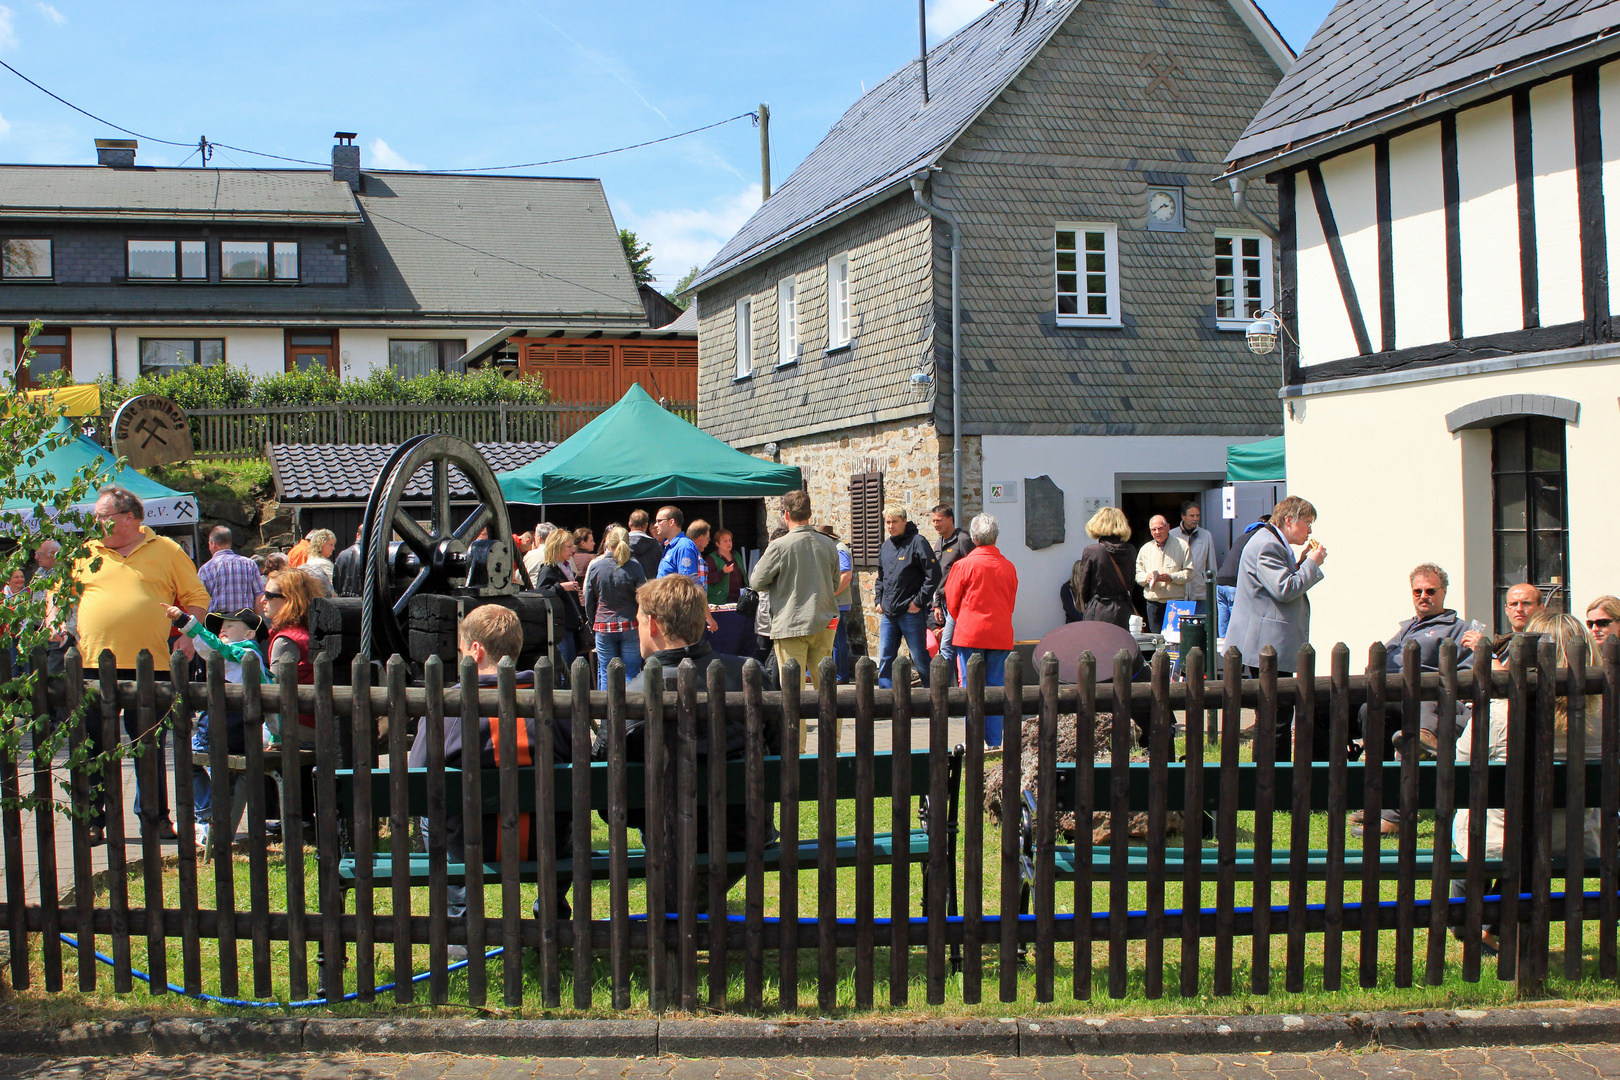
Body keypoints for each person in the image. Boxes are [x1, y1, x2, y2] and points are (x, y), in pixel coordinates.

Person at [410, 604, 571, 953]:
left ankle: (460, 919)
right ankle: (552, 913)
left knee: (431, 811)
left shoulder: (448, 709)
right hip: (544, 844)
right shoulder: (556, 706)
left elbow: (416, 778)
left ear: (476, 650)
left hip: (470, 845)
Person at [1453, 611, 1605, 956]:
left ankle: (1468, 919)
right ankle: (1486, 927)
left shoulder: (1499, 713)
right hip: (1576, 842)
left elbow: (1460, 765)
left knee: (1472, 823)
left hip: (1499, 841)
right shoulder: (1604, 719)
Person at [65, 485, 209, 846]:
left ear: (129, 518)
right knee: (92, 745)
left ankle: (155, 818)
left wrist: (189, 635)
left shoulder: (166, 550)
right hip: (92, 665)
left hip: (152, 665)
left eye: (103, 517)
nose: (96, 523)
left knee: (149, 745)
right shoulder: (86, 553)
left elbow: (196, 597)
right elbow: (58, 596)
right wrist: (54, 622)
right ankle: (93, 820)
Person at [1353, 563, 1477, 837]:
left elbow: (1468, 674)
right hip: (1396, 697)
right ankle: (1379, 799)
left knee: (1421, 692)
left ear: (1444, 592)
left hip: (1436, 702)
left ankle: (1398, 810)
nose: (1424, 596)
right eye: (1417, 591)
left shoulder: (1458, 629)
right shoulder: (1405, 629)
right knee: (1368, 710)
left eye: (1430, 591)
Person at [1225, 495, 1327, 762]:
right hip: (1267, 645)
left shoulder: (1272, 542)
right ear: (1289, 519)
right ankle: (1271, 781)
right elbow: (1284, 589)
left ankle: (1270, 780)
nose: (1310, 530)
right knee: (1275, 716)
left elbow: (1277, 582)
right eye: (1307, 522)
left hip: (1270, 643)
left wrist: (1301, 563)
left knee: (1274, 713)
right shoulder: (1267, 544)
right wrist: (1313, 564)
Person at [165, 605, 267, 857]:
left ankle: (207, 816)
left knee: (187, 759)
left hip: (224, 732)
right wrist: (273, 734)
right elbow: (207, 647)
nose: (223, 628)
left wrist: (184, 621)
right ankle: (211, 822)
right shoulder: (248, 658)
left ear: (249, 634)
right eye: (222, 626)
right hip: (240, 732)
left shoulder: (241, 652)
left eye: (230, 625)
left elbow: (212, 647)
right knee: (219, 773)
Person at [748, 490, 839, 718]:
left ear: (785, 514)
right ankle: (833, 747)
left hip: (791, 624)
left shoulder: (780, 546)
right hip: (823, 621)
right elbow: (835, 581)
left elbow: (756, 581)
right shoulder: (828, 544)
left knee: (792, 694)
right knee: (827, 690)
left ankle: (796, 749)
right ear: (809, 513)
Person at [943, 514, 1018, 747]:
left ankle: (973, 738)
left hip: (970, 632)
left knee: (971, 687)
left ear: (974, 538)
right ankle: (994, 741)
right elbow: (1011, 602)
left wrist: (964, 619)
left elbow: (952, 602)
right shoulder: (1008, 566)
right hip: (1000, 633)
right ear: (995, 537)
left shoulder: (963, 565)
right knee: (996, 687)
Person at [874, 505, 940, 690]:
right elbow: (881, 577)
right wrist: (879, 600)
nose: (890, 526)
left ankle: (932, 695)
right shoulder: (886, 546)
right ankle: (885, 698)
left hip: (910, 613)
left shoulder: (917, 542)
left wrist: (919, 601)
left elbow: (933, 574)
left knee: (919, 656)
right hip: (889, 613)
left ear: (904, 521)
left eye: (894, 522)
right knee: (886, 657)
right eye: (887, 522)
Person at [263, 568, 324, 748]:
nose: (262, 599)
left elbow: (274, 694)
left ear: (289, 600)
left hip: (301, 728)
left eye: (268, 594)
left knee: (238, 741)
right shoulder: (309, 631)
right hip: (319, 723)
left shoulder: (286, 641)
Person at [583, 526, 647, 691]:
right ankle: (630, 716)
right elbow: (644, 597)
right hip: (630, 624)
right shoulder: (634, 566)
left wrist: (592, 622)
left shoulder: (597, 566)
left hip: (604, 625)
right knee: (631, 672)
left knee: (606, 673)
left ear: (607, 542)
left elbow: (590, 599)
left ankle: (606, 716)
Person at [1067, 506, 1136, 629]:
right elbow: (1131, 583)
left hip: (1099, 609)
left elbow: (1084, 587)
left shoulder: (1093, 550)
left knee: (1096, 646)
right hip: (1124, 609)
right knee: (1122, 646)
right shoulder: (1130, 550)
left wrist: (1088, 606)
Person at [534, 528, 586, 682]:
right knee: (565, 670)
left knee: (572, 667)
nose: (573, 550)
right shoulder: (548, 569)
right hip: (559, 627)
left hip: (570, 625)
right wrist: (561, 587)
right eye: (569, 547)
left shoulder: (566, 568)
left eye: (573, 546)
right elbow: (541, 595)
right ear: (557, 548)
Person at [929, 504, 975, 675]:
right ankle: (953, 686)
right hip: (945, 603)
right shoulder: (939, 542)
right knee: (949, 646)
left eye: (939, 520)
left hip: (959, 603)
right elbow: (937, 577)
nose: (935, 524)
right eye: (933, 521)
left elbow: (973, 570)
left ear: (950, 519)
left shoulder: (963, 540)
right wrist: (937, 605)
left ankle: (947, 690)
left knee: (947, 645)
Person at [1461, 582, 1543, 668]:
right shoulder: (1502, 643)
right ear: (1506, 610)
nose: (1519, 609)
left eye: (1526, 603)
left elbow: (1509, 680)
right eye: (1514, 604)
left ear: (1541, 608)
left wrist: (1484, 651)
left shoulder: (1543, 643)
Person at [1215, 515, 1269, 638]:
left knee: (1223, 625)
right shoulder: (1260, 538)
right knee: (1237, 625)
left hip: (1221, 581)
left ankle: (1223, 654)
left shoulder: (1243, 536)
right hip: (1234, 583)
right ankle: (1235, 652)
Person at [1135, 515, 1189, 634]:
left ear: (1168, 527)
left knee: (1176, 639)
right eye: (1153, 530)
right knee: (1156, 639)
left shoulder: (1182, 545)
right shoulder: (1145, 549)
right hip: (1153, 601)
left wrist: (1171, 577)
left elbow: (1189, 573)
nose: (1157, 532)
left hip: (1175, 601)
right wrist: (1146, 577)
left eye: (1160, 528)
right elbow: (1138, 576)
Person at [196, 526, 265, 614]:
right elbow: (260, 595)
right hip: (245, 618)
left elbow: (200, 600)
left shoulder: (206, 568)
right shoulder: (249, 564)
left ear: (213, 544)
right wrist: (254, 618)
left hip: (217, 620)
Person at [819, 525, 856, 683]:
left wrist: (831, 594)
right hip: (833, 602)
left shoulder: (839, 549)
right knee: (829, 639)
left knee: (837, 640)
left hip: (837, 603)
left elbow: (846, 575)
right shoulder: (832, 548)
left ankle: (841, 675)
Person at [1173, 501, 1218, 610]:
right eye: (1192, 515)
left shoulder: (1206, 535)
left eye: (1197, 515)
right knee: (1178, 626)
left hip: (1200, 591)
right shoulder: (1172, 535)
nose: (1195, 519)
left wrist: (1212, 589)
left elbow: (1211, 564)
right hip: (1178, 592)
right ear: (1183, 516)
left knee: (1201, 625)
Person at [654, 506, 706, 586]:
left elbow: (687, 585)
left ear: (671, 522)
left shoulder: (684, 547)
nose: (655, 525)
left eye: (659, 521)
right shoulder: (671, 546)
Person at [706, 529, 744, 607]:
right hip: (721, 601)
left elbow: (743, 574)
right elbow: (708, 579)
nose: (729, 543)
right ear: (717, 544)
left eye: (730, 540)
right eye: (725, 541)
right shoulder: (711, 559)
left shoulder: (736, 555)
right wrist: (723, 572)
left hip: (739, 599)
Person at [626, 509, 663, 581]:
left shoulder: (622, 544)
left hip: (628, 588)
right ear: (646, 525)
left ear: (629, 524)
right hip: (650, 588)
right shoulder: (655, 545)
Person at [332, 527, 363, 597]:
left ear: (357, 535)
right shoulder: (371, 555)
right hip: (364, 600)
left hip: (344, 600)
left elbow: (335, 581)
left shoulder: (342, 555)